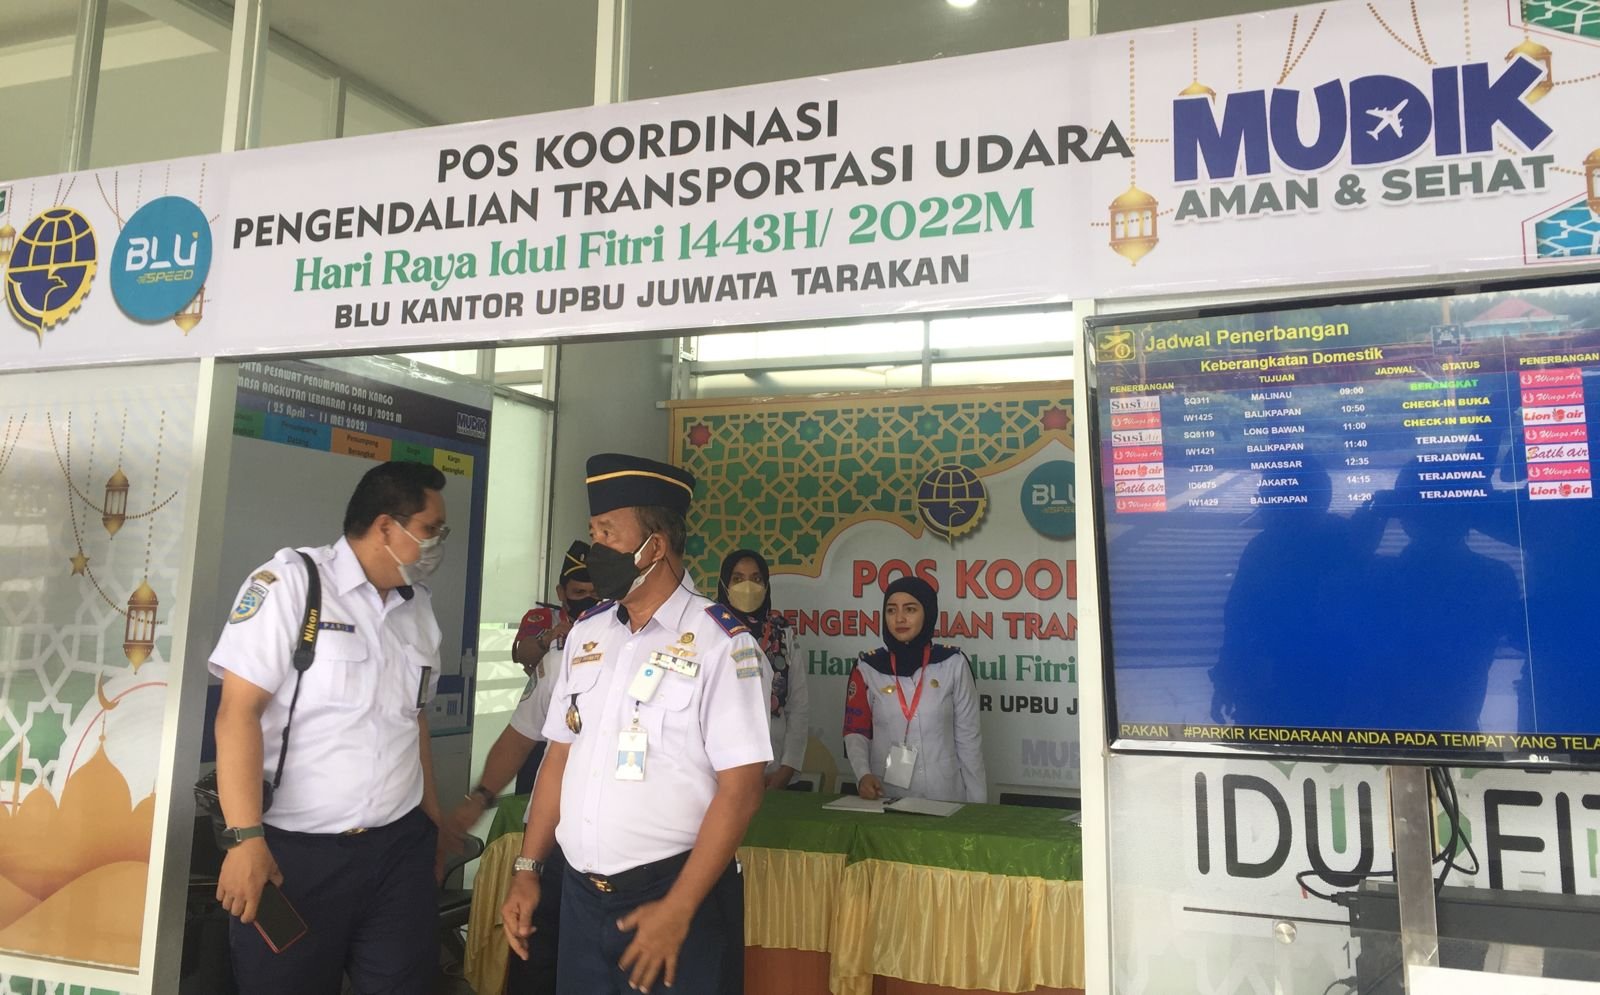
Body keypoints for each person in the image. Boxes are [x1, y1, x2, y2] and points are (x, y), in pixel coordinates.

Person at [501, 453, 771, 995]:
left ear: (655, 546)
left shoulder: (722, 643)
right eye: (593, 532)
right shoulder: (587, 633)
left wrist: (679, 907)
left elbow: (741, 790)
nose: (595, 548)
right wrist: (529, 868)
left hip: (673, 900)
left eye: (607, 532)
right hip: (581, 899)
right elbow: (559, 757)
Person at [209, 460, 449, 995]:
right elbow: (237, 713)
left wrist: (432, 823)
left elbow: (413, 719)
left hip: (398, 854)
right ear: (386, 527)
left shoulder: (417, 609)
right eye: (431, 529)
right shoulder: (293, 584)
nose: (437, 543)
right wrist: (244, 840)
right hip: (294, 857)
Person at [445, 540, 594, 995]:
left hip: (614, 844)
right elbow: (518, 738)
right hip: (552, 840)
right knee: (537, 960)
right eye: (580, 593)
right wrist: (479, 797)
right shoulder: (558, 660)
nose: (590, 604)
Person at [844, 576, 986, 804]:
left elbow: (969, 739)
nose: (899, 618)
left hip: (945, 796)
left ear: (927, 612)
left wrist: (978, 804)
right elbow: (856, 731)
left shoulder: (953, 663)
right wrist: (863, 774)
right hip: (885, 794)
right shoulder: (868, 667)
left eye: (910, 609)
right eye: (891, 610)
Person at [509, 542, 600, 792]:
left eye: (594, 593)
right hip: (540, 726)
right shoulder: (544, 618)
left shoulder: (608, 621)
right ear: (561, 592)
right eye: (579, 592)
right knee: (530, 795)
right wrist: (548, 638)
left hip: (585, 730)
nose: (588, 600)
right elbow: (521, 653)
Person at [715, 549, 809, 790]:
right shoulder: (710, 629)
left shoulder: (782, 633)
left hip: (773, 765)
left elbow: (798, 705)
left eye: (756, 579)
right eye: (738, 579)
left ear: (766, 585)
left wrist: (788, 766)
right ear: (724, 585)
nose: (748, 587)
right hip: (719, 765)